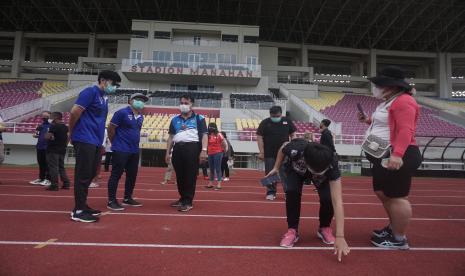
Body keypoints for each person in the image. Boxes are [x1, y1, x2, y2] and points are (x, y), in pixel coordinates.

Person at [359, 66, 422, 249]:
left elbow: (405, 129)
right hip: (382, 153)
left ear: (391, 86)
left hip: (398, 153)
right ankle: (394, 227)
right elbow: (387, 123)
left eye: (379, 84)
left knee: (397, 197)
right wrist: (368, 120)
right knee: (382, 192)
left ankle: (399, 239)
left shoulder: (404, 101)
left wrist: (397, 154)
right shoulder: (389, 101)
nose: (376, 87)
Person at [265, 140, 350, 261]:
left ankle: (324, 227)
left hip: (321, 177)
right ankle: (292, 230)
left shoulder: (331, 163)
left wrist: (340, 236)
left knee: (328, 198)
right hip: (296, 170)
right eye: (317, 171)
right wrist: (276, 167)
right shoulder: (296, 149)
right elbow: (283, 147)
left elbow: (338, 201)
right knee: (292, 192)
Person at [69, 70, 121, 223]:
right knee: (83, 174)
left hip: (96, 140)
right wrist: (71, 132)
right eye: (114, 83)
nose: (115, 87)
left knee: (91, 173)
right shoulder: (90, 92)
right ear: (103, 80)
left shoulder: (103, 98)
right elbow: (74, 112)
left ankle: (83, 205)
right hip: (85, 138)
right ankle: (78, 211)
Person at [165, 94, 208, 212]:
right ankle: (182, 197)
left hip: (192, 148)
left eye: (186, 103)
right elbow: (170, 137)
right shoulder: (174, 119)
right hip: (177, 149)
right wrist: (167, 152)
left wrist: (204, 151)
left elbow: (204, 135)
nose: (183, 105)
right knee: (180, 176)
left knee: (190, 175)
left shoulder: (199, 118)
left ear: (192, 104)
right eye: (182, 103)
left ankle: (188, 201)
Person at [106, 93, 148, 211]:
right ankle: (111, 200)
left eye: (142, 100)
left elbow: (136, 132)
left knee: (132, 175)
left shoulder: (141, 116)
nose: (140, 101)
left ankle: (127, 197)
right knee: (116, 174)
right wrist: (116, 143)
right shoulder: (121, 113)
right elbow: (111, 129)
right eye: (138, 99)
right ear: (130, 101)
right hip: (121, 149)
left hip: (134, 150)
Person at [256, 105, 296, 200]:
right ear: (270, 114)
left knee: (285, 173)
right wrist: (261, 152)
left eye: (277, 116)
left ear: (281, 114)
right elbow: (259, 137)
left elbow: (293, 134)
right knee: (270, 173)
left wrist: (293, 147)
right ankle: (270, 192)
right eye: (273, 116)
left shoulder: (287, 121)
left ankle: (288, 192)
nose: (275, 118)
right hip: (269, 153)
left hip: (285, 153)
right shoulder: (265, 123)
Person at [44, 112, 71, 191]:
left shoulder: (54, 126)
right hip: (62, 150)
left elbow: (47, 137)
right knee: (61, 167)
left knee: (53, 168)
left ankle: (54, 185)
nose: (50, 118)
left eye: (51, 117)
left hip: (53, 150)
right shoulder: (65, 127)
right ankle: (66, 183)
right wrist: (64, 145)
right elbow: (68, 137)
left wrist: (46, 135)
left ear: (55, 118)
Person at [29, 111, 51, 186]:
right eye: (43, 116)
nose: (44, 118)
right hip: (39, 146)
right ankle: (41, 178)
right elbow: (35, 135)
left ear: (49, 117)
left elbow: (52, 136)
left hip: (47, 147)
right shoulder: (40, 126)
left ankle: (48, 179)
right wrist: (35, 134)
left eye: (46, 116)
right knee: (41, 163)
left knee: (47, 164)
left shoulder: (51, 126)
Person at [205, 123, 228, 190]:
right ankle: (211, 183)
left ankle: (219, 184)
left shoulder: (219, 134)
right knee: (211, 169)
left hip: (218, 153)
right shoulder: (207, 135)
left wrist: (224, 150)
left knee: (218, 168)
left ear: (215, 127)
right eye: (209, 127)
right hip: (210, 153)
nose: (210, 128)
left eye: (211, 127)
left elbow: (224, 143)